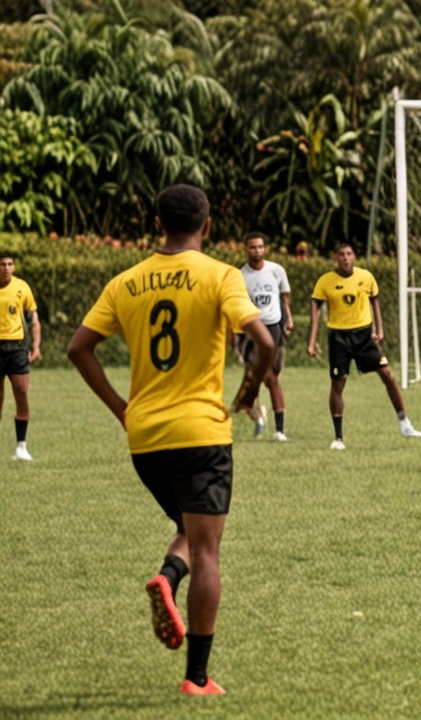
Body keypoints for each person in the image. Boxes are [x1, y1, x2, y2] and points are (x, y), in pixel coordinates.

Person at [66, 184, 273, 696]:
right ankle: (197, 679)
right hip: (201, 432)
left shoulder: (125, 281)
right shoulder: (221, 275)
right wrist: (246, 394)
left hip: (146, 440)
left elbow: (78, 348)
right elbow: (263, 342)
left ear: (157, 224)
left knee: (188, 527)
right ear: (206, 227)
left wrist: (122, 409)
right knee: (208, 550)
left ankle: (167, 576)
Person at [307, 243, 421, 449]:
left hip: (363, 337)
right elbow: (315, 309)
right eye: (341, 254)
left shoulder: (365, 277)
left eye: (349, 254)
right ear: (335, 257)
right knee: (338, 383)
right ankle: (338, 437)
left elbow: (375, 302)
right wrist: (312, 341)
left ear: (354, 257)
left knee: (388, 374)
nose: (345, 258)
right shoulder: (325, 281)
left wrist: (380, 329)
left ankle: (405, 423)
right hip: (338, 338)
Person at [236, 232, 293, 441]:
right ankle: (271, 424)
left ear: (265, 248)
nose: (257, 251)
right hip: (253, 331)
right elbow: (238, 306)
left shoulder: (276, 271)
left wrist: (289, 319)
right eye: (252, 247)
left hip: (274, 328)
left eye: (260, 247)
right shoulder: (240, 276)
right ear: (246, 249)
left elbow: (284, 298)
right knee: (266, 377)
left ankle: (275, 426)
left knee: (271, 378)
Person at [0, 254, 40, 461]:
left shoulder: (22, 287)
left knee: (22, 394)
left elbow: (34, 320)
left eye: (10, 264)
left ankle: (21, 448)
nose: (6, 268)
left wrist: (35, 347)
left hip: (16, 348)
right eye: (2, 264)